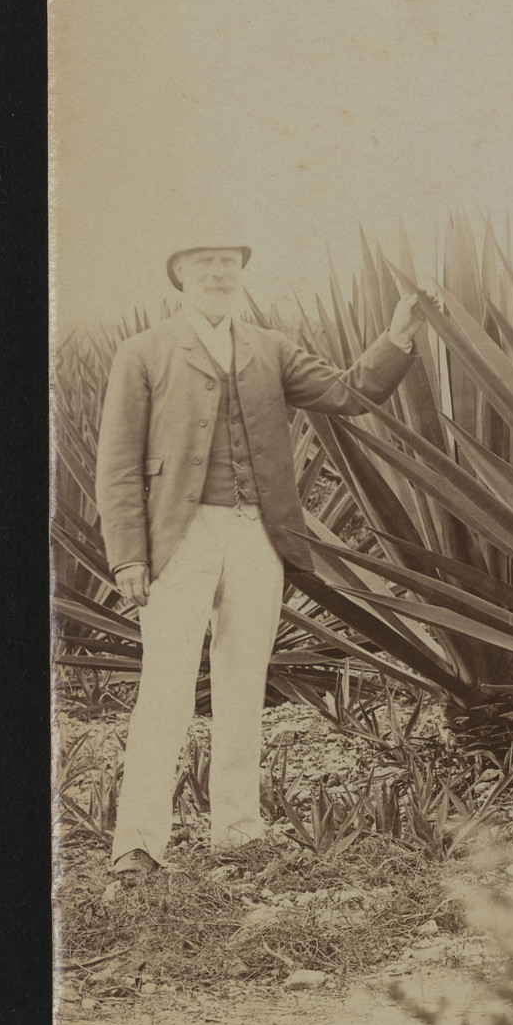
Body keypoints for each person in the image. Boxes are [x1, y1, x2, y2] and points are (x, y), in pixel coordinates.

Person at [95, 236, 423, 875]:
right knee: (165, 687)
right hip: (175, 541)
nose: (217, 273)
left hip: (257, 535)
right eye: (202, 264)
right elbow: (116, 464)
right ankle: (137, 844)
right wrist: (127, 556)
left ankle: (239, 834)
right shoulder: (143, 353)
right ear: (179, 276)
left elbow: (349, 392)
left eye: (228, 263)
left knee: (245, 682)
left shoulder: (270, 348)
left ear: (240, 273)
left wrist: (398, 335)